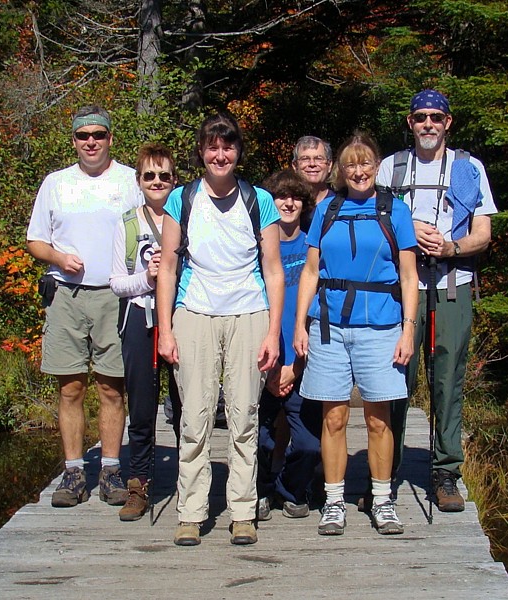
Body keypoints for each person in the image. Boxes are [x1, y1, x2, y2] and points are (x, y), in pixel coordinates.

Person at [156, 112, 285, 547]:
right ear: (201, 152)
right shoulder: (182, 199)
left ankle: (243, 511)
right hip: (193, 313)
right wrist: (165, 330)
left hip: (249, 314)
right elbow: (169, 269)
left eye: (227, 146)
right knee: (194, 417)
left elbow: (273, 269)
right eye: (212, 146)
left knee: (244, 416)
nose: (220, 154)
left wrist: (273, 334)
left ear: (238, 151)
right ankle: (191, 512)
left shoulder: (259, 200)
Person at [376, 89, 497, 512]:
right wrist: (410, 233)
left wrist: (449, 247)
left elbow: (482, 233)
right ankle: (384, 471)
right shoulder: (389, 168)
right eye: (420, 117)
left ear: (448, 123)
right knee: (394, 379)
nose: (428, 124)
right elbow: (373, 224)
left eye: (436, 117)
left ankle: (445, 472)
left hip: (452, 284)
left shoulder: (468, 168)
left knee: (448, 380)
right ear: (410, 123)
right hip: (399, 290)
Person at [294, 131, 419, 536]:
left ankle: (382, 500)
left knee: (379, 419)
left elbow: (408, 274)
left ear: (377, 166)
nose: (359, 171)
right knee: (333, 418)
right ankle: (334, 501)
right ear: (340, 170)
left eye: (365, 163)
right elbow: (311, 272)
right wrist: (300, 324)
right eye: (351, 164)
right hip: (330, 326)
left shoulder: (394, 211)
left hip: (381, 327)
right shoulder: (328, 208)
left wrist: (408, 331)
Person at [26, 105, 142, 508]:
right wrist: (58, 258)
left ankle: (111, 469)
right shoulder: (56, 184)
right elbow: (35, 241)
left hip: (116, 295)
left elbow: (152, 227)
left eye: (98, 134)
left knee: (112, 386)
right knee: (70, 386)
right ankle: (74, 471)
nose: (90, 142)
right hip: (66, 294)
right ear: (73, 140)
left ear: (110, 138)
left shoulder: (132, 180)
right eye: (82, 136)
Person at [109, 142, 182, 521]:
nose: (157, 181)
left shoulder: (186, 215)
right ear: (138, 180)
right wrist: (146, 278)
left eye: (164, 175)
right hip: (140, 317)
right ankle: (139, 484)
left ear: (174, 179)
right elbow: (116, 283)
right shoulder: (127, 222)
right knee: (141, 405)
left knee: (188, 402)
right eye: (149, 175)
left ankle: (191, 480)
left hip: (182, 315)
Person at [256, 170, 322, 521]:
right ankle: (261, 490)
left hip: (302, 362)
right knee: (258, 439)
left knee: (311, 444)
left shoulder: (313, 246)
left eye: (295, 196)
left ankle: (292, 488)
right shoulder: (257, 250)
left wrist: (294, 368)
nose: (288, 202)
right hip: (261, 362)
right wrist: (270, 369)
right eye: (280, 196)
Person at [291, 135, 334, 207]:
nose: (312, 164)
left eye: (318, 159)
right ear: (295, 166)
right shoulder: (288, 207)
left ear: (329, 165)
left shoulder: (342, 206)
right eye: (305, 159)